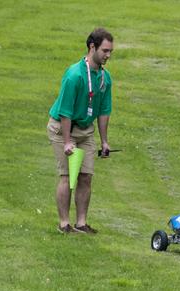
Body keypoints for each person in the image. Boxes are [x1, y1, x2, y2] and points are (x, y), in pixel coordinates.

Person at [46, 28, 114, 234]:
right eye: (105, 50)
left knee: (86, 176)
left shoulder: (104, 78)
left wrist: (104, 141)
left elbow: (103, 111)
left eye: (111, 51)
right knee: (68, 176)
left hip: (85, 131)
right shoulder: (75, 75)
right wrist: (67, 141)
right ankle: (64, 223)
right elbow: (65, 111)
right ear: (92, 47)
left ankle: (81, 222)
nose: (108, 55)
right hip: (63, 129)